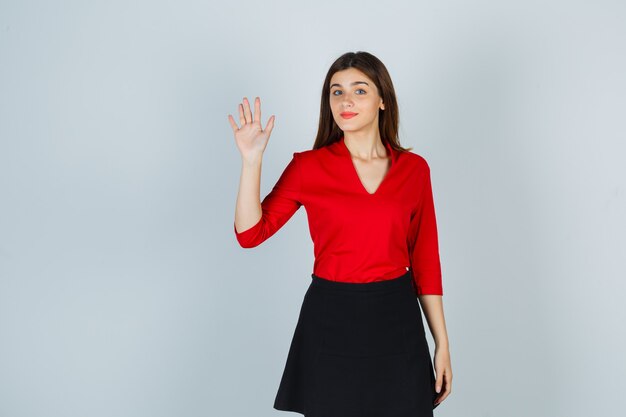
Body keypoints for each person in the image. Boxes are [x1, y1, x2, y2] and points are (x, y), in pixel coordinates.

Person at [229, 51, 452, 417]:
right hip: (331, 320)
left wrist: (441, 343)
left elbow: (426, 260)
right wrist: (251, 161)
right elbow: (250, 233)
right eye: (336, 91)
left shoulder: (414, 170)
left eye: (359, 90)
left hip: (396, 320)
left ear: (383, 101)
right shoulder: (308, 167)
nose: (346, 100)